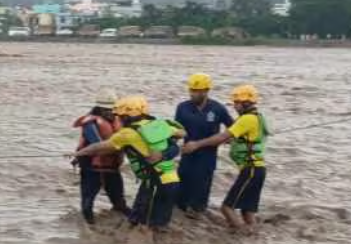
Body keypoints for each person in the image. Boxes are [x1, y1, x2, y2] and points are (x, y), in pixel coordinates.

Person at [74, 96, 183, 233]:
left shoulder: (128, 133)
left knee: (140, 224)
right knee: (158, 224)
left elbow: (100, 147)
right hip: (171, 181)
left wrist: (79, 153)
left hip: (154, 183)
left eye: (120, 116)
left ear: (126, 116)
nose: (117, 119)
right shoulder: (160, 125)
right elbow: (182, 132)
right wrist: (165, 149)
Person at [182, 85, 268, 233]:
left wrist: (196, 144)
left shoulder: (246, 119)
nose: (235, 106)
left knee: (227, 208)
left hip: (251, 170)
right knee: (247, 210)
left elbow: (222, 137)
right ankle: (253, 236)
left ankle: (241, 235)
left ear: (245, 103)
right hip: (258, 170)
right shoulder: (259, 117)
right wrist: (234, 140)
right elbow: (248, 138)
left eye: (236, 103)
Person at [175, 73, 234, 217]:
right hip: (187, 154)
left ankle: (197, 212)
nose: (192, 94)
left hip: (207, 156)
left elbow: (233, 128)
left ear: (205, 91)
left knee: (201, 191)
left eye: (196, 91)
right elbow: (175, 130)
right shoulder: (182, 107)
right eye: (191, 91)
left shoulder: (217, 108)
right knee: (180, 191)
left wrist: (228, 138)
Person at [72, 89, 130, 224]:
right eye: (107, 110)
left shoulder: (119, 119)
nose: (111, 113)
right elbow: (97, 144)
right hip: (91, 167)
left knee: (119, 201)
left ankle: (130, 219)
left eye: (113, 109)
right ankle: (89, 226)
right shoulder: (90, 123)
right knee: (88, 201)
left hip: (112, 166)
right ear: (99, 109)